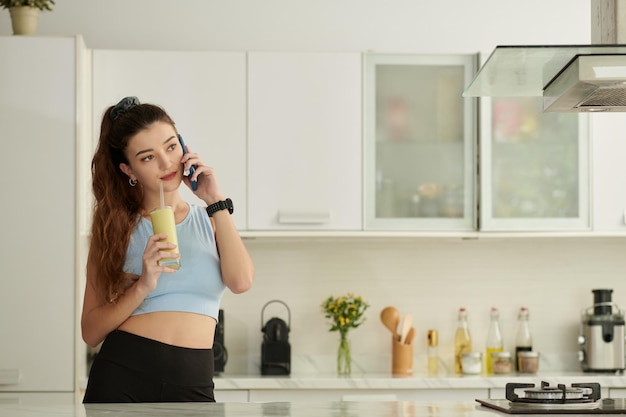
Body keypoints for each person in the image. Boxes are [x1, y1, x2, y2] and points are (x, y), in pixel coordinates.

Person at [81, 96, 254, 403]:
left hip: (194, 383)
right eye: (147, 157)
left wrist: (214, 198)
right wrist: (143, 286)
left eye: (171, 146)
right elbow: (91, 331)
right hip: (122, 379)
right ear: (128, 169)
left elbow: (241, 282)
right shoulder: (115, 230)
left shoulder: (211, 218)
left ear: (184, 146)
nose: (165, 163)